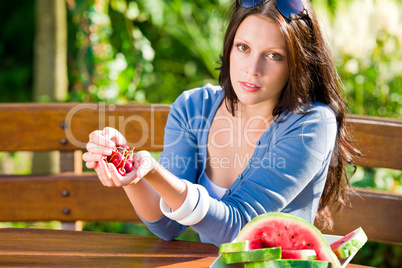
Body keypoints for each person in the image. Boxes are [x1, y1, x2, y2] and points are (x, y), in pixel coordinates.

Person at [83, 0, 359, 247]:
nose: (253, 68)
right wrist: (132, 171)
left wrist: (153, 170)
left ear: (297, 63)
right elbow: (167, 225)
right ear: (229, 47)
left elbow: (238, 229)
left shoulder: (311, 124)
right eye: (244, 48)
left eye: (274, 55)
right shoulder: (194, 107)